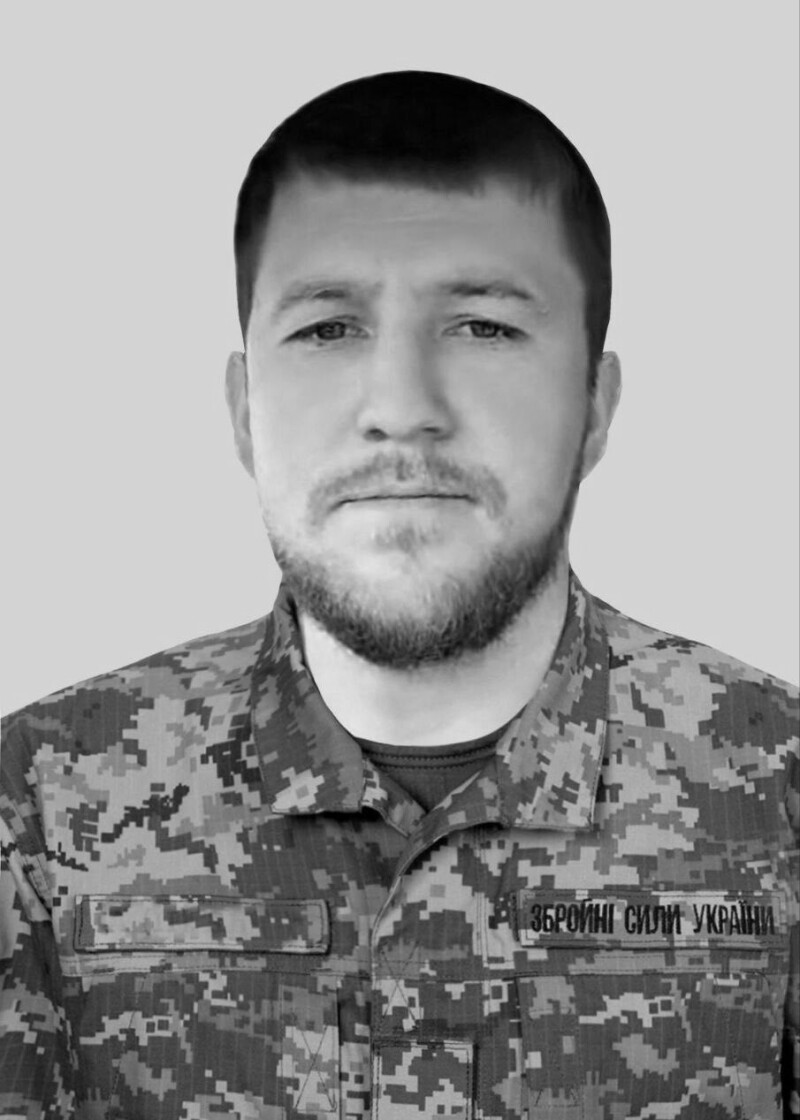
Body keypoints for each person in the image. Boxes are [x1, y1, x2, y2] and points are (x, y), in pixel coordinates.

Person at [0, 69, 797, 1120]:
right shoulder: (39, 802)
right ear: (244, 411)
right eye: (328, 328)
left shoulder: (779, 794)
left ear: (594, 407)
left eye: (483, 326)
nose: (402, 407)